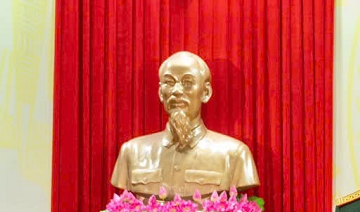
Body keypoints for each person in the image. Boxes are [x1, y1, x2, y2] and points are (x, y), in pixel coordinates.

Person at [110, 50, 260, 197]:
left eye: (187, 83)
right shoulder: (132, 152)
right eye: (169, 82)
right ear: (161, 93)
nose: (176, 91)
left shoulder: (234, 154)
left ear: (206, 92)